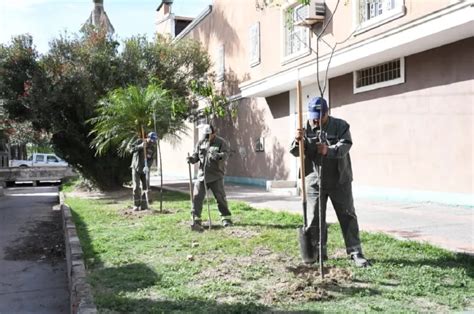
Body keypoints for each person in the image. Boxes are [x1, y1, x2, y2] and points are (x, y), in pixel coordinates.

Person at [290, 97, 370, 267]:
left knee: (347, 215)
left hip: (339, 179)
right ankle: (319, 252)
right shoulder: (304, 127)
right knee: (314, 218)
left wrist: (329, 150)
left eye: (319, 116)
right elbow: (295, 152)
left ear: (327, 113)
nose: (315, 120)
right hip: (313, 180)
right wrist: (298, 141)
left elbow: (346, 145)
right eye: (313, 116)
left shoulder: (341, 126)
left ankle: (355, 252)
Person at [187, 124, 232, 231]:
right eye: (205, 135)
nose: (206, 137)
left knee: (220, 198)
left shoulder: (221, 142)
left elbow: (226, 154)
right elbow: (196, 156)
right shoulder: (200, 142)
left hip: (216, 176)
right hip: (202, 176)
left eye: (209, 135)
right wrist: (191, 159)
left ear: (213, 133)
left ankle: (226, 219)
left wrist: (219, 156)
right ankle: (196, 219)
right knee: (197, 197)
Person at [130, 131, 157, 211]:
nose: (153, 142)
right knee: (136, 187)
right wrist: (140, 146)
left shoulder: (152, 148)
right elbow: (131, 149)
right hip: (136, 168)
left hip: (144, 170)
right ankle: (136, 205)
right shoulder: (139, 141)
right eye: (151, 140)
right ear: (148, 138)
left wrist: (147, 166)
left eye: (154, 141)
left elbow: (151, 159)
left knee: (146, 187)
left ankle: (144, 205)